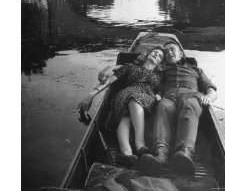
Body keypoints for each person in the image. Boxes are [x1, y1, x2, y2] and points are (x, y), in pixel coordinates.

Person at [140, 41, 217, 175]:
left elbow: (211, 89)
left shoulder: (196, 70)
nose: (169, 53)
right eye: (166, 52)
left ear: (181, 54)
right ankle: (161, 154)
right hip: (169, 96)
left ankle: (185, 153)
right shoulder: (162, 70)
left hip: (190, 95)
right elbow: (142, 67)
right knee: (163, 107)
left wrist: (209, 97)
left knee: (189, 106)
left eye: (172, 50)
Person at [78, 47, 165, 164]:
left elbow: (161, 90)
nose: (156, 55)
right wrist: (91, 95)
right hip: (125, 95)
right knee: (126, 108)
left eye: (160, 56)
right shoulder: (130, 67)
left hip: (147, 98)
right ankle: (127, 153)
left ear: (160, 63)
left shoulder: (160, 75)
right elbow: (110, 80)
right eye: (154, 52)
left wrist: (159, 95)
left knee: (133, 99)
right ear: (148, 54)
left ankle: (140, 145)